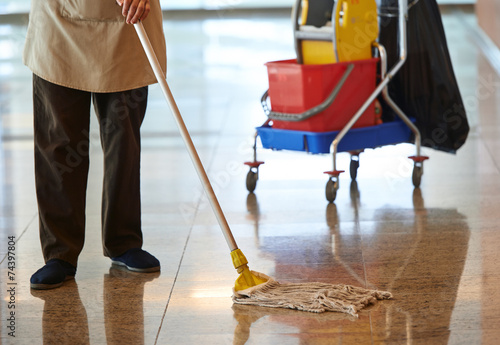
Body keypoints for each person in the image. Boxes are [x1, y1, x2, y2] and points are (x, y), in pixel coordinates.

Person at [23, 0, 167, 290]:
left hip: (129, 21)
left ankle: (124, 241)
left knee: (123, 141)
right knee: (58, 143)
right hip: (59, 21)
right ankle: (59, 253)